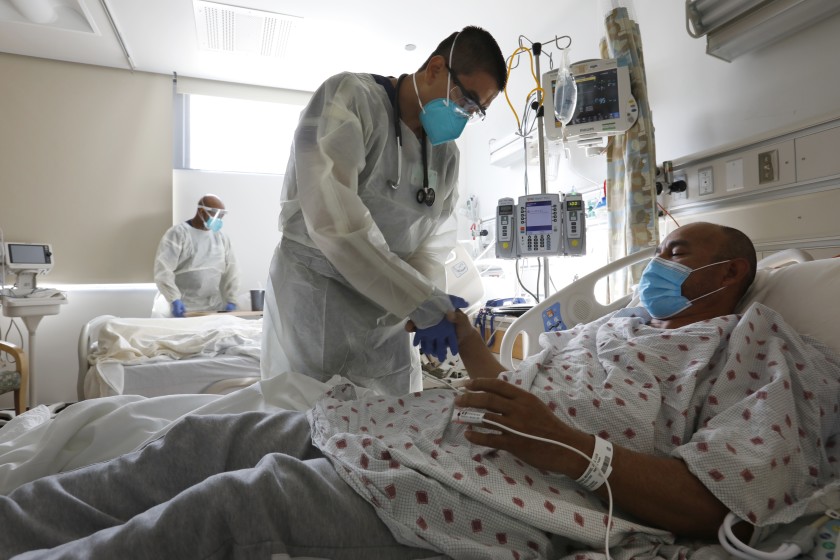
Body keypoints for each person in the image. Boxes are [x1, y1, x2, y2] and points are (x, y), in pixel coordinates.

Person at [3, 223, 840, 560]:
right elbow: (515, 402)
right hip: (434, 429)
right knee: (206, 441)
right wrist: (474, 344)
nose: (656, 263)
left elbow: (722, 503)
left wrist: (576, 453)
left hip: (499, 487)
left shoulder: (758, 346)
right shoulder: (611, 328)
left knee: (243, 502)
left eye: (675, 250)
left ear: (726, 271)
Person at [261, 26, 508, 395]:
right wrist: (420, 300)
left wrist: (426, 302)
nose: (466, 115)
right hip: (318, 299)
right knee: (310, 421)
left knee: (391, 428)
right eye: (466, 100)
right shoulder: (348, 99)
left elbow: (432, 244)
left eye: (476, 111)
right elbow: (334, 224)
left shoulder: (445, 156)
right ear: (436, 69)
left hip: (388, 316)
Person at [153, 194, 240, 317]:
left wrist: (231, 298)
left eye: (221, 216)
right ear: (201, 211)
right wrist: (174, 299)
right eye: (215, 215)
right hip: (182, 308)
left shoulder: (221, 238)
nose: (218, 220)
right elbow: (163, 270)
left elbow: (232, 271)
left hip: (212, 307)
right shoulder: (177, 234)